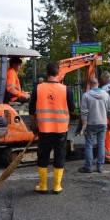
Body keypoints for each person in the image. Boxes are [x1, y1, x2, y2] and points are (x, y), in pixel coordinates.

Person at [29, 62, 75, 194]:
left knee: (42, 156)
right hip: (61, 129)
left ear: (46, 73)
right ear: (58, 73)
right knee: (60, 155)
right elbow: (72, 108)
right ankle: (57, 186)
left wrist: (34, 126)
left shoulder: (37, 89)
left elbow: (31, 110)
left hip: (44, 129)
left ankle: (43, 185)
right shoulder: (66, 90)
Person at [79, 78, 110, 173]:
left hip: (90, 124)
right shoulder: (106, 95)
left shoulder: (86, 95)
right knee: (101, 145)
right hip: (103, 123)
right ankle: (100, 167)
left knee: (89, 145)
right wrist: (109, 122)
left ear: (90, 85)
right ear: (98, 84)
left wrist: (84, 126)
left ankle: (88, 167)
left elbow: (84, 112)